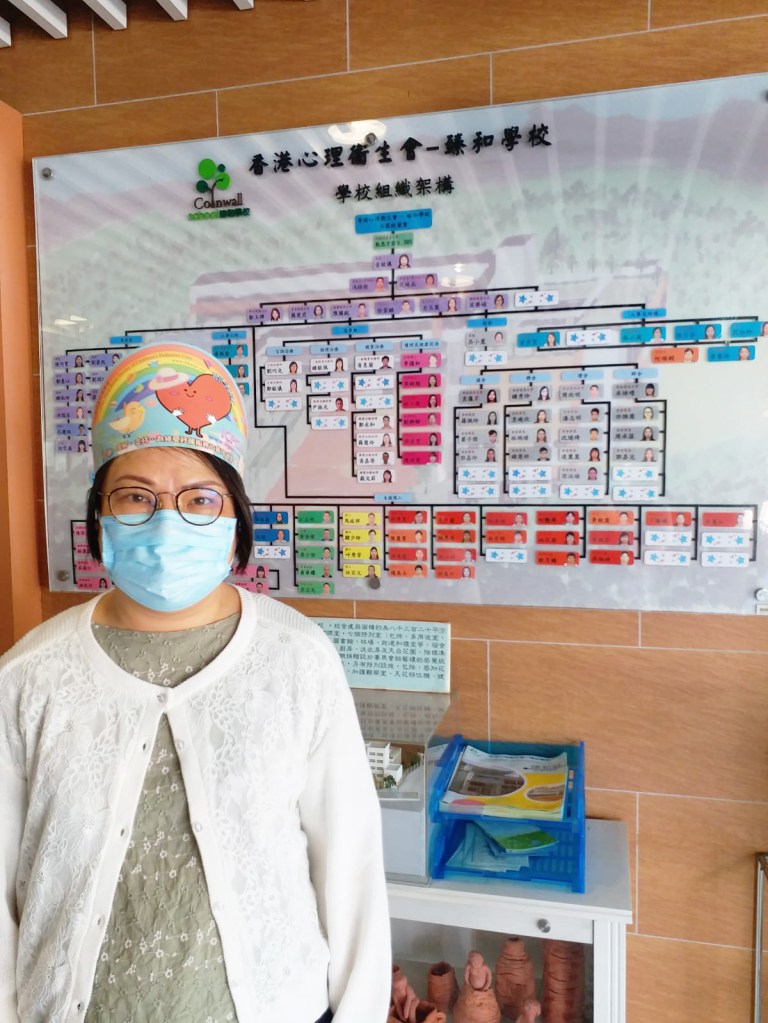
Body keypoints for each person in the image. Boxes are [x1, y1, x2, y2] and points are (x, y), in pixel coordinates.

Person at [0, 343, 390, 1023]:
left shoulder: (297, 660)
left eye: (200, 498)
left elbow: (350, 869)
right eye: (135, 496)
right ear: (99, 515)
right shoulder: (30, 676)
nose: (166, 519)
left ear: (236, 521)